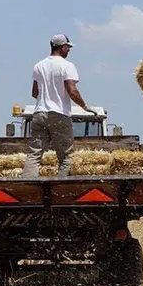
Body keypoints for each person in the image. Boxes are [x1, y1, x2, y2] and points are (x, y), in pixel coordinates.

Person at [22, 34, 97, 178]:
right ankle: (61, 188)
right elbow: (72, 91)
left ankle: (26, 188)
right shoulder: (67, 66)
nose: (69, 50)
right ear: (62, 47)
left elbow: (34, 93)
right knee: (66, 157)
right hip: (59, 114)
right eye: (68, 47)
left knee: (34, 154)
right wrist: (85, 106)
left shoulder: (39, 65)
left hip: (40, 113)